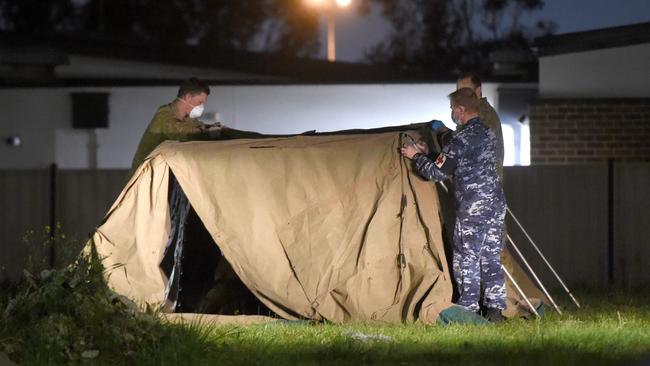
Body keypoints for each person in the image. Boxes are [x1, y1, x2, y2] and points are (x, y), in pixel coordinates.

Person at [400, 88, 507, 322]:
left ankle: (468, 308)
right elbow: (458, 162)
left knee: (467, 256)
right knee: (490, 256)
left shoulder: (462, 137)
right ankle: (495, 310)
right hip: (495, 203)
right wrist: (432, 153)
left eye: (452, 110)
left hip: (473, 205)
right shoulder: (488, 133)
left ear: (460, 109)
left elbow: (437, 173)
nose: (452, 114)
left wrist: (414, 156)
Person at [131, 77, 220, 172]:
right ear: (188, 97)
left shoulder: (187, 119)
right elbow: (183, 134)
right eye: (200, 102)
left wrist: (215, 129)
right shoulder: (164, 115)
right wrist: (208, 132)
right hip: (143, 174)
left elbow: (200, 127)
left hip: (163, 171)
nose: (201, 106)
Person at [456, 72, 505, 178]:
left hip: (481, 184)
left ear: (478, 92)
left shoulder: (482, 115)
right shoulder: (477, 110)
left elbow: (459, 147)